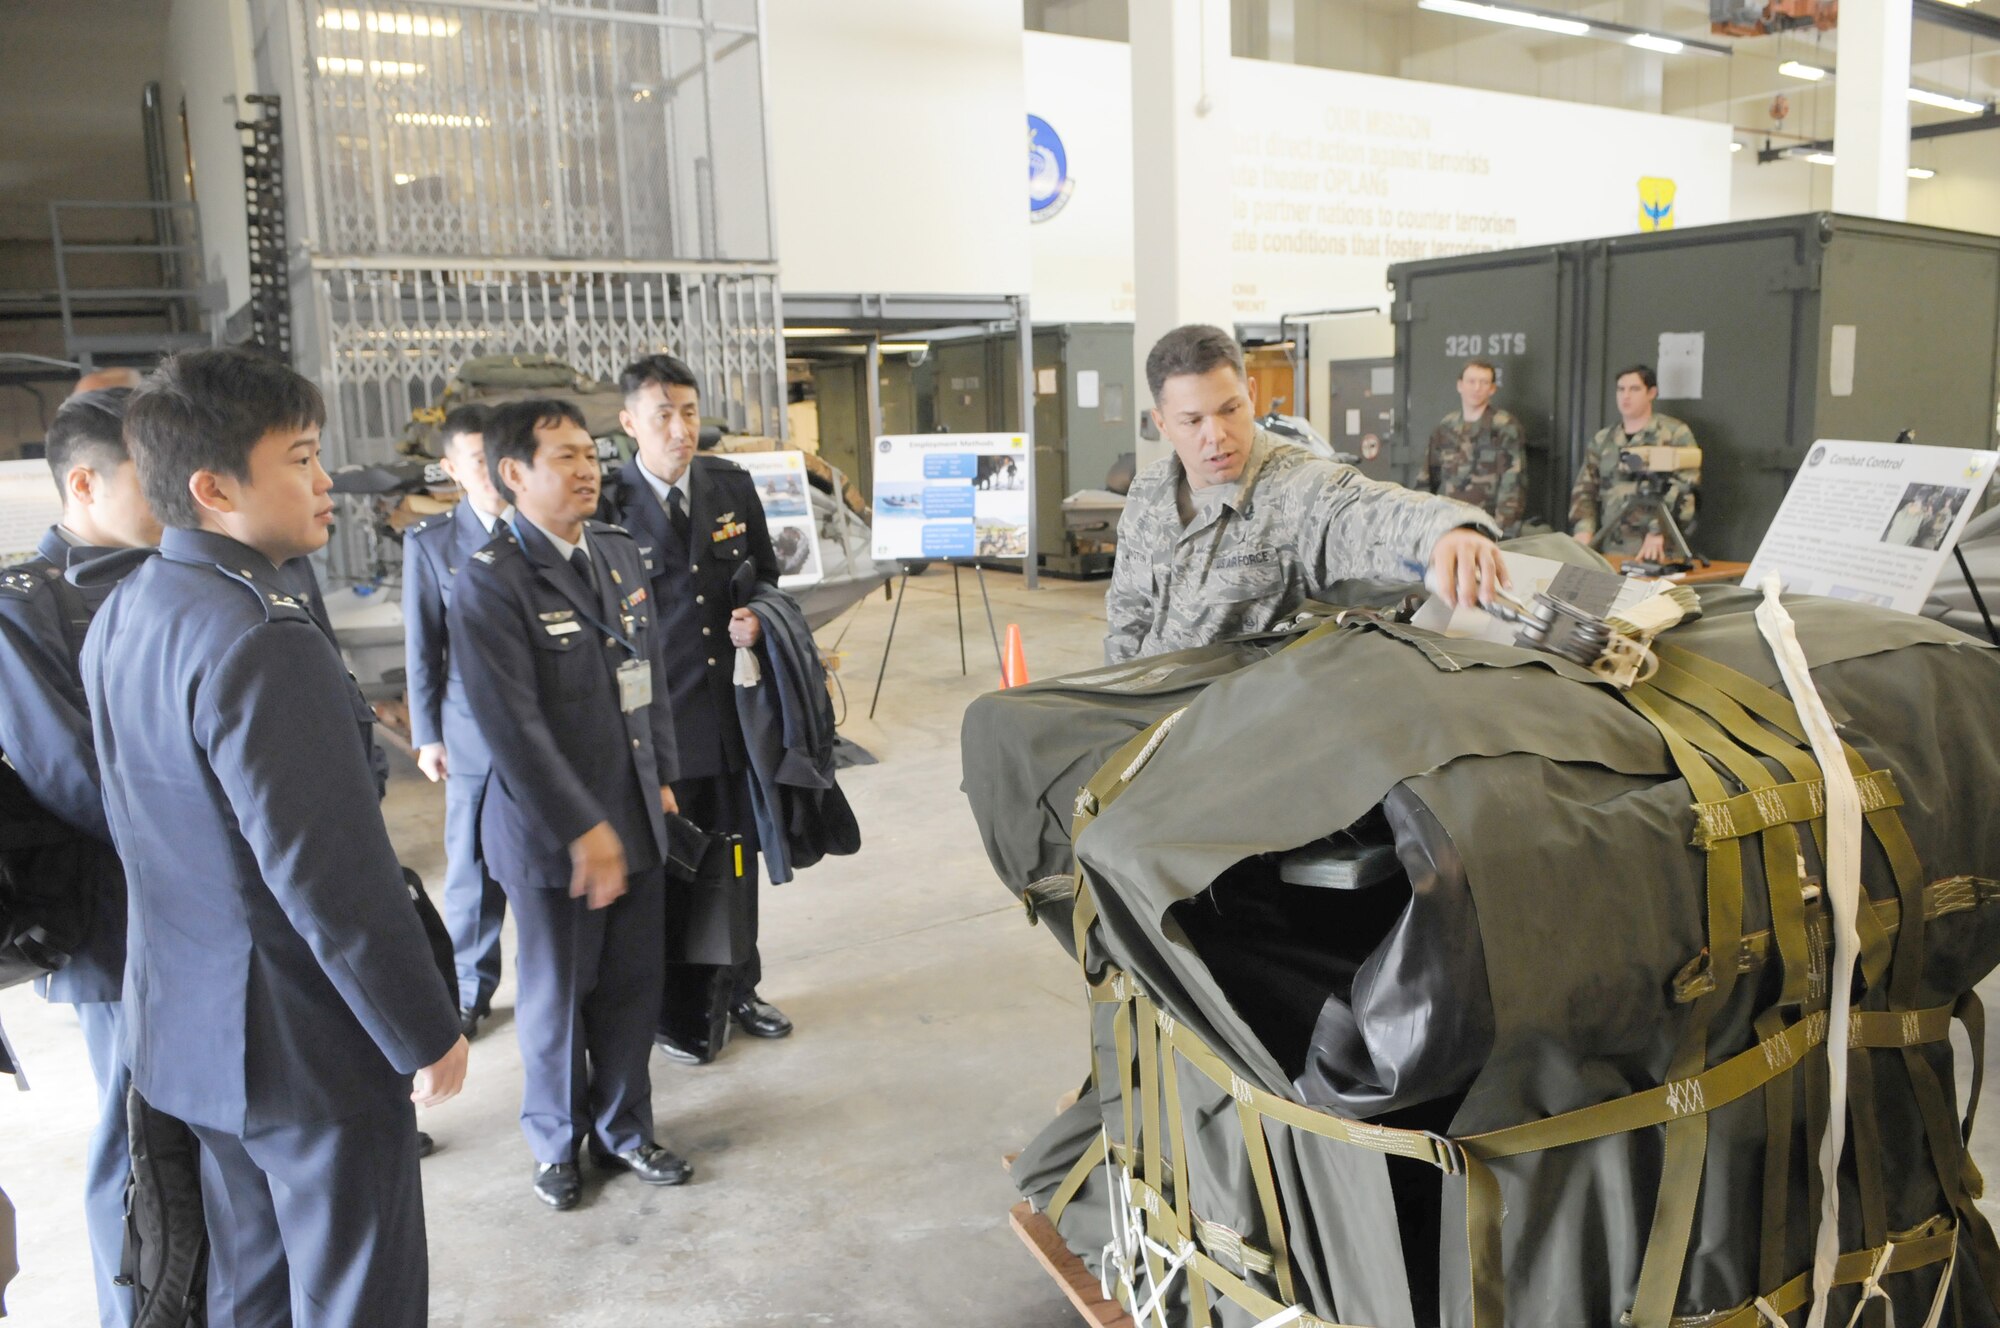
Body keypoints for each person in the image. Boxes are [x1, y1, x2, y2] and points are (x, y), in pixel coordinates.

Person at [82, 348, 467, 1326]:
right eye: (300, 457)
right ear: (215, 487)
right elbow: (330, 877)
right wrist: (421, 1026)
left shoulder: (127, 608)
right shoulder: (262, 634)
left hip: (190, 1031)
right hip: (304, 1045)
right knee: (355, 1295)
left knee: (247, 1288)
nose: (326, 479)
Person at [450, 398, 693, 1209]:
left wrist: (659, 776)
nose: (587, 468)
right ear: (513, 474)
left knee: (631, 987)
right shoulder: (491, 583)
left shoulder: (619, 555)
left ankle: (626, 1130)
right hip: (551, 835)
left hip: (631, 811)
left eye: (590, 453)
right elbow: (511, 728)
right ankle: (555, 1142)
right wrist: (582, 828)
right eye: (564, 456)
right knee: (559, 994)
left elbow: (646, 677)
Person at [0, 388, 160, 1328]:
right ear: (88, 481)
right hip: (117, 914)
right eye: (153, 475)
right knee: (133, 1139)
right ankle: (129, 1310)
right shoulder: (28, 606)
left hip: (207, 905)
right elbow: (73, 774)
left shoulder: (175, 575)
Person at [1104, 325, 1505, 664]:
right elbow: (1128, 615)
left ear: (1253, 395)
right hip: (1145, 714)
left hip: (1226, 730)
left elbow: (1362, 507)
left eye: (1230, 410)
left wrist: (1446, 533)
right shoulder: (1148, 492)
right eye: (1192, 421)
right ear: (1161, 422)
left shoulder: (1293, 487)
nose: (1217, 436)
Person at [602, 354, 793, 1064]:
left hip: (729, 717)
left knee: (736, 860)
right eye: (662, 415)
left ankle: (741, 985)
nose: (681, 429)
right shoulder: (608, 502)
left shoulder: (729, 485)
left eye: (688, 412)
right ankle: (677, 1004)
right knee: (675, 869)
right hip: (657, 726)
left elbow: (767, 575)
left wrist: (760, 619)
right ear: (629, 424)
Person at [404, 404, 511, 1039]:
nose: (493, 472)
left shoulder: (543, 529)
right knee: (471, 871)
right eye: (477, 459)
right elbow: (424, 647)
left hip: (548, 730)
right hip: (470, 733)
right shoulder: (433, 543)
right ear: (451, 469)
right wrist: (428, 736)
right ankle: (471, 988)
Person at [1567, 364, 1700, 563]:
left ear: (1651, 392)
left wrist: (1658, 531)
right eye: (1621, 389)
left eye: (1634, 389)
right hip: (1609, 547)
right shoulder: (1603, 439)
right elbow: (1584, 490)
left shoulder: (1674, 434)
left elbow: (1685, 490)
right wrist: (1583, 531)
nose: (1625, 396)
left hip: (1658, 549)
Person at [1418, 359, 1526, 536]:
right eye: (1471, 381)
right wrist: (1421, 523)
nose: (1477, 388)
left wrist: (1502, 533)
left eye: (1484, 382)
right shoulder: (1445, 428)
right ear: (1460, 385)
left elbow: (1513, 485)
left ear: (1492, 388)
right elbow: (1425, 480)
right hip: (1448, 526)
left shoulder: (1506, 427)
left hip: (1488, 527)